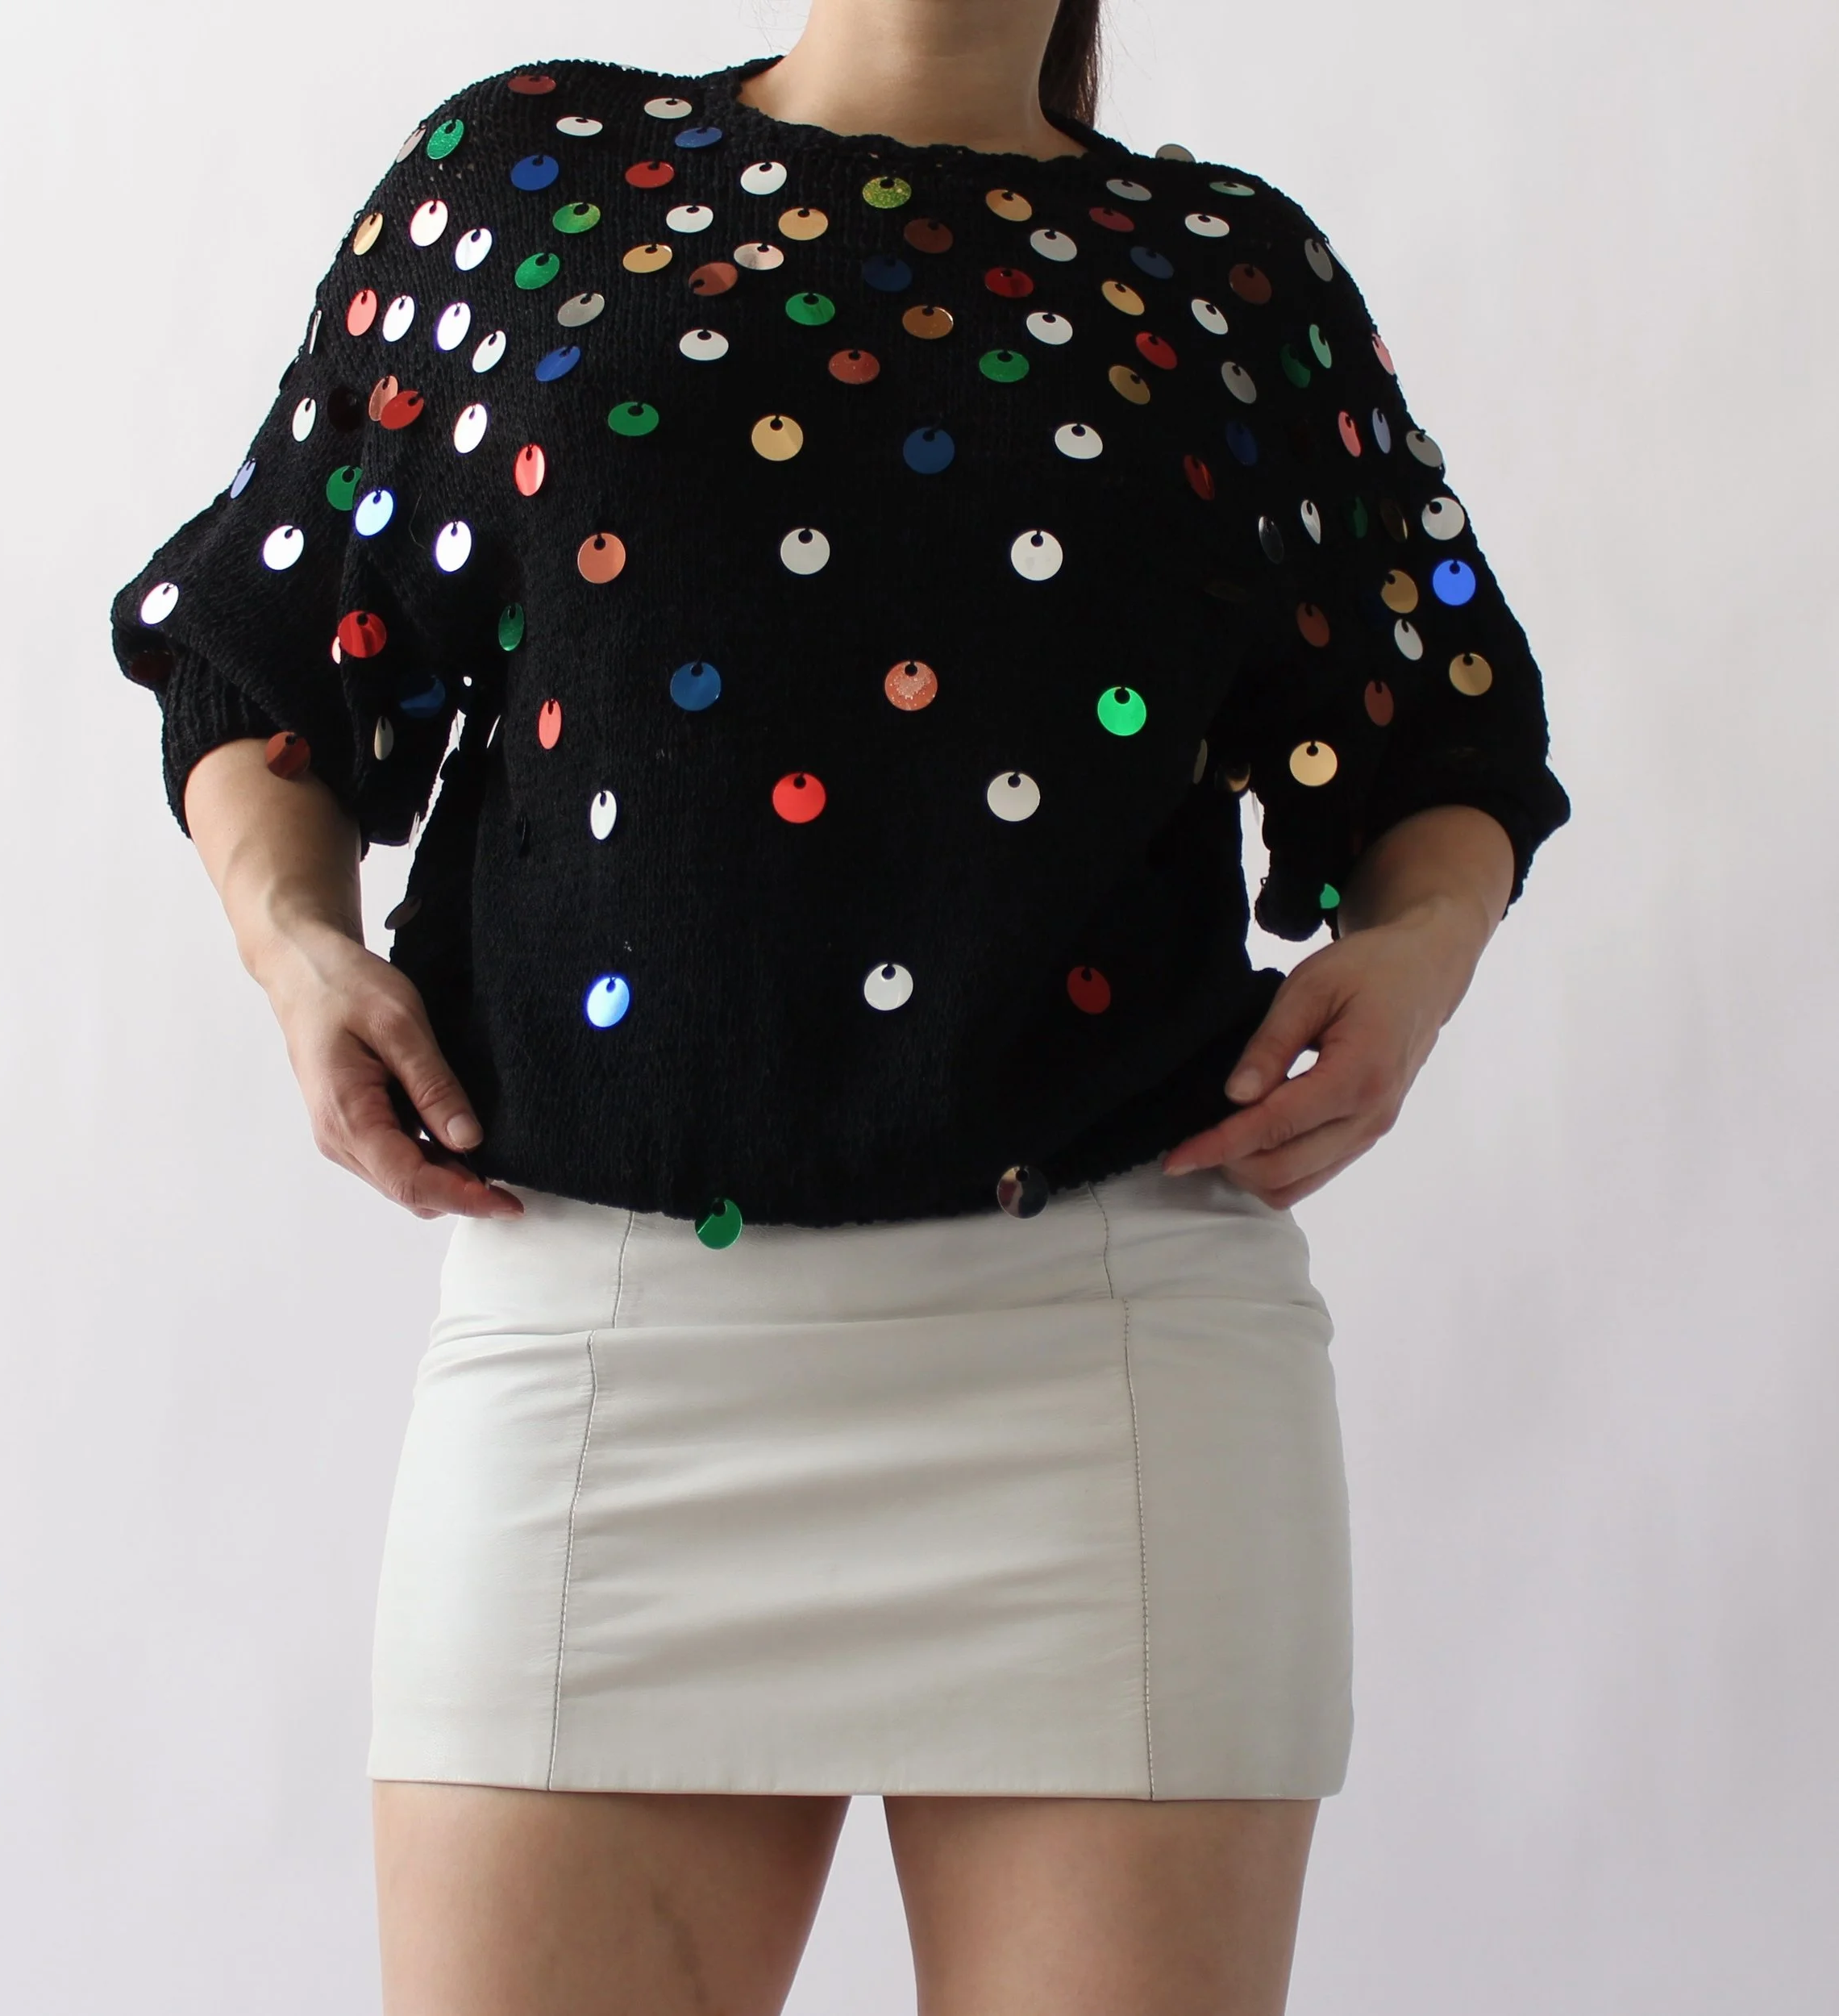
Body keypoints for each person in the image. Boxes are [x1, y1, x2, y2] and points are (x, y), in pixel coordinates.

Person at [107, 2, 1569, 2008]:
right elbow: (270, 633)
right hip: (603, 1349)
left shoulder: (1228, 277)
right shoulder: (527, 180)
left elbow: (1441, 723)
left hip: (1109, 1358)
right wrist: (294, 939)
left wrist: (1417, 951)